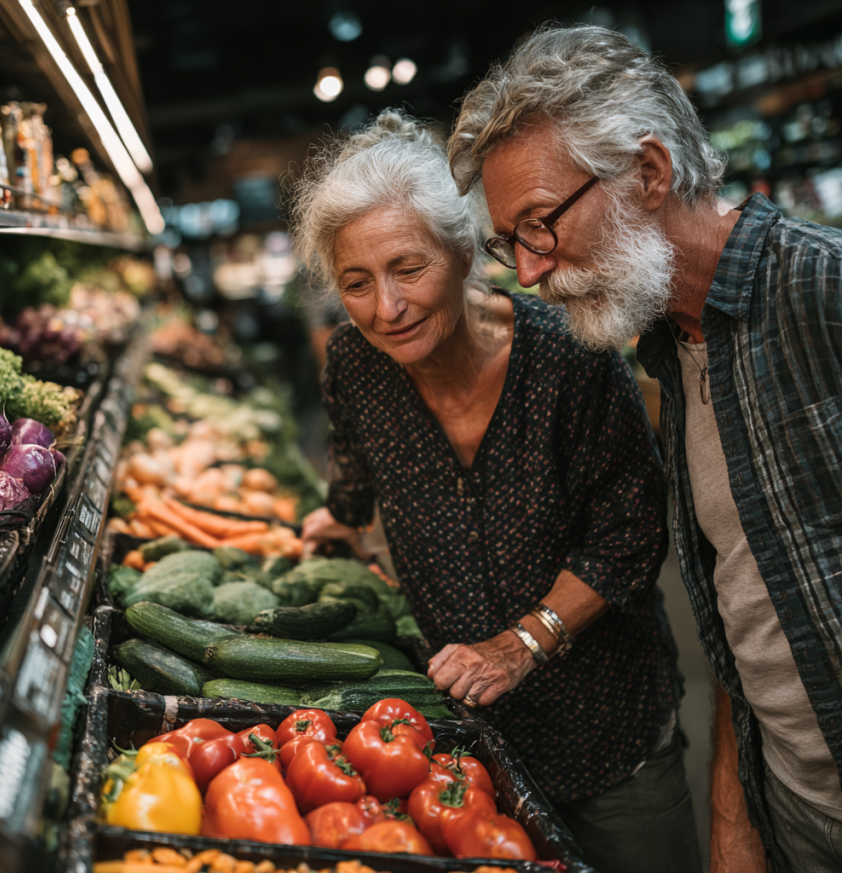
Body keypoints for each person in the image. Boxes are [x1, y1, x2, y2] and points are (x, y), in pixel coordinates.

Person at [449, 24, 842, 873]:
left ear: (650, 173)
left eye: (538, 224)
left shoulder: (822, 290)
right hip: (799, 809)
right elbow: (744, 608)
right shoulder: (670, 346)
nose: (525, 270)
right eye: (507, 240)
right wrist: (736, 816)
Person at [292, 109, 699, 873]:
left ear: (462, 252)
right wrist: (336, 519)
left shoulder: (568, 357)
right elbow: (352, 461)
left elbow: (630, 533)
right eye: (356, 282)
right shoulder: (354, 363)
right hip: (457, 748)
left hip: (604, 731)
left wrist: (520, 643)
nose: (387, 307)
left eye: (407, 268)